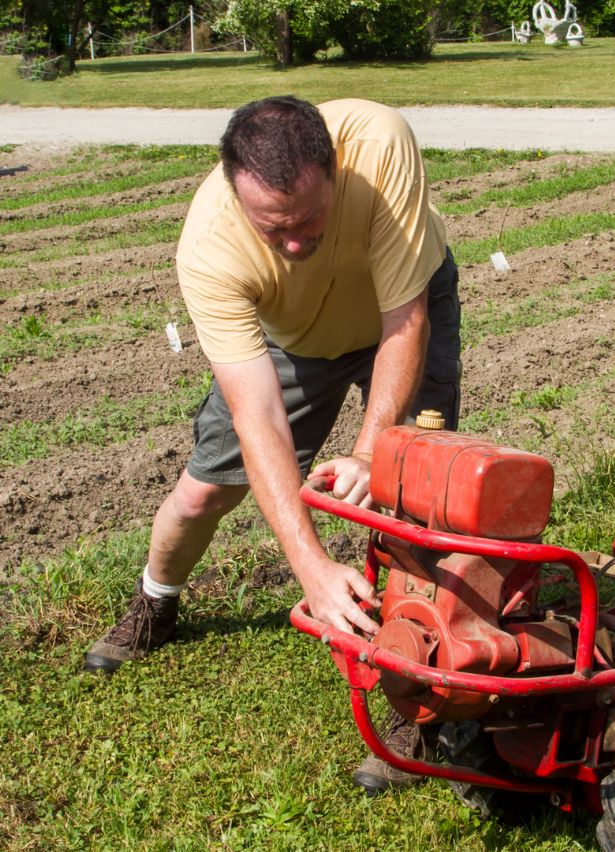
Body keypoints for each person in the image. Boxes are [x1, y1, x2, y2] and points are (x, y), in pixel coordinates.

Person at [83, 96, 461, 796]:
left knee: (423, 494)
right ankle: (154, 605)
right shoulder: (209, 247)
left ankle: (420, 698)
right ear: (236, 193)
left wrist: (372, 450)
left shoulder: (380, 144)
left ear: (334, 171)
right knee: (204, 490)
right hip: (294, 336)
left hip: (400, 306)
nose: (292, 241)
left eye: (308, 220)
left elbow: (404, 321)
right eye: (272, 228)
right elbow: (257, 418)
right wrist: (311, 568)